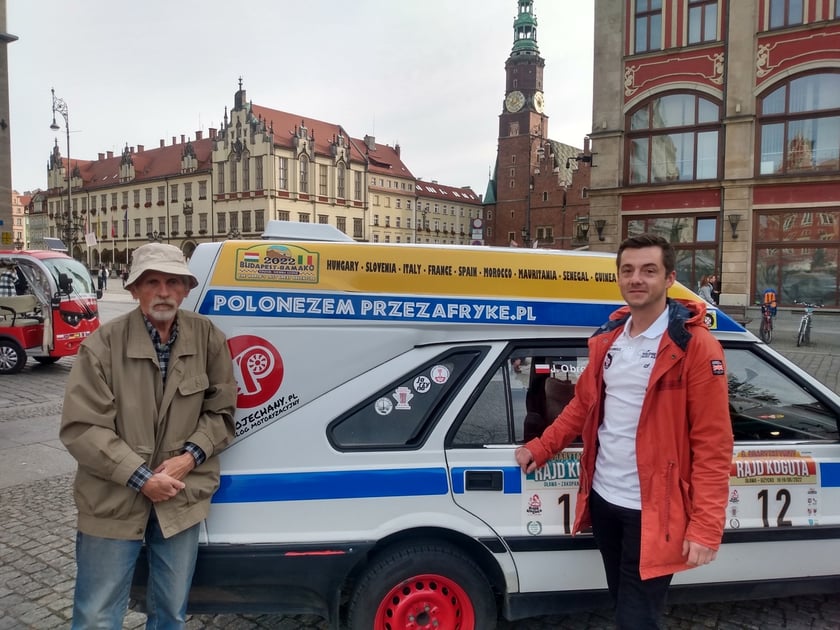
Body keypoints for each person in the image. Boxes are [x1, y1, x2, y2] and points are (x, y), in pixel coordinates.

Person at [515, 234, 732, 629]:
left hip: (655, 510)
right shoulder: (609, 339)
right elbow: (583, 405)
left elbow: (713, 444)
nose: (636, 279)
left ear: (669, 279)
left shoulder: (696, 347)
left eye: (649, 270)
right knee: (624, 603)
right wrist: (542, 446)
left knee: (636, 619)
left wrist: (705, 526)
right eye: (628, 270)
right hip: (604, 499)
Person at [60, 243, 237, 629]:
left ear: (186, 289)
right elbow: (82, 428)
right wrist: (142, 478)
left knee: (170, 613)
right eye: (151, 281)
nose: (163, 291)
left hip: (180, 495)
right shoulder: (102, 345)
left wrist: (189, 457)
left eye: (173, 281)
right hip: (112, 498)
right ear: (133, 288)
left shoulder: (208, 339)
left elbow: (221, 413)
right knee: (96, 615)